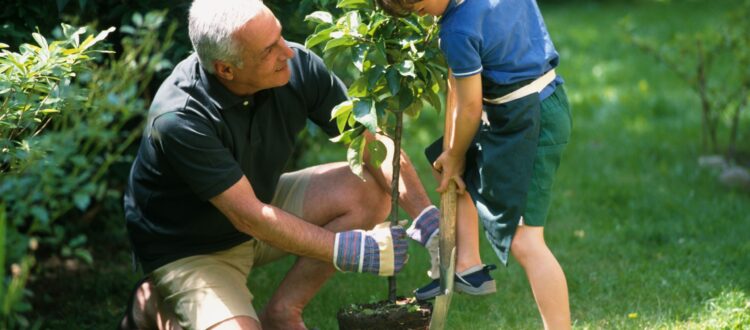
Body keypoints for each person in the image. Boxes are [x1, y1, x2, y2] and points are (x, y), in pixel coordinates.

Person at [117, 0, 440, 329]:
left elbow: (371, 144)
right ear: (226, 68)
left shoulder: (295, 65)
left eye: (280, 36)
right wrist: (350, 250)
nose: (287, 51)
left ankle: (283, 311)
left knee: (369, 191)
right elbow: (249, 217)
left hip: (258, 202)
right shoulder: (180, 118)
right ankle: (153, 306)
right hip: (191, 246)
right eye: (268, 50)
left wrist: (428, 219)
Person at [376, 0, 573, 329]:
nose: (419, 15)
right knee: (452, 159)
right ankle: (468, 265)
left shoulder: (458, 29)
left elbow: (469, 108)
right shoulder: (463, 16)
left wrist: (456, 155)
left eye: (419, 7)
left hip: (529, 119)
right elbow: (459, 85)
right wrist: (453, 152)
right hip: (525, 106)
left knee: (526, 240)